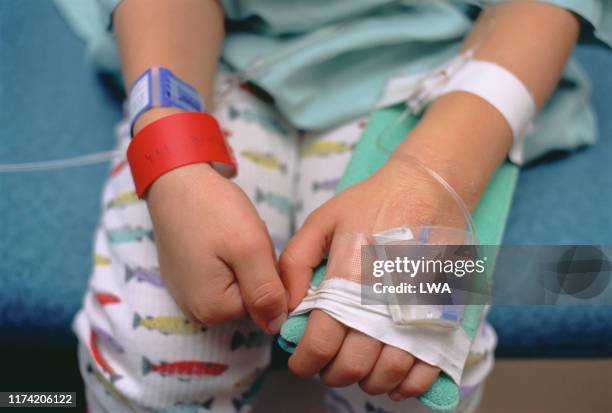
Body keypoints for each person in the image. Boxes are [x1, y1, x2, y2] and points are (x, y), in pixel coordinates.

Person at [55, 0, 609, 411]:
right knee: (158, 363)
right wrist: (171, 155)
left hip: (452, 67)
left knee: (409, 371)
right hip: (213, 52)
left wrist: (432, 177)